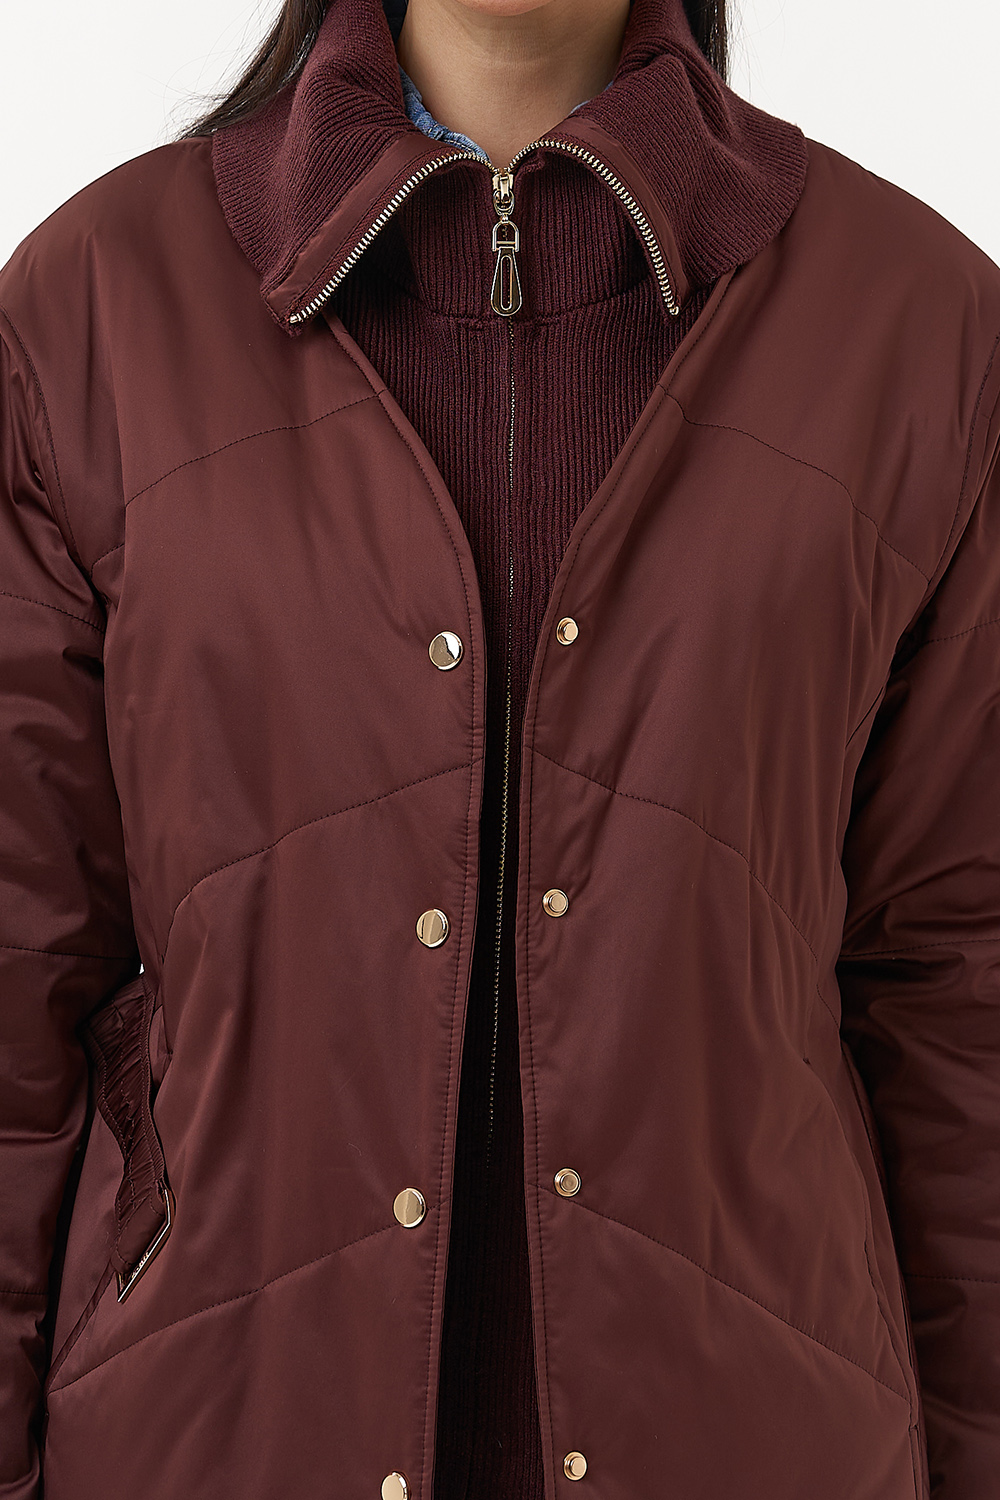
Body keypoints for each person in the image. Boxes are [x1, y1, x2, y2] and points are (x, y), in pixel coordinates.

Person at [1, 0, 998, 1497]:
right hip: (217, 1432)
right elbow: (19, 968)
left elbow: (963, 999)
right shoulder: (93, 313)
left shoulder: (914, 327)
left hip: (755, 1438)